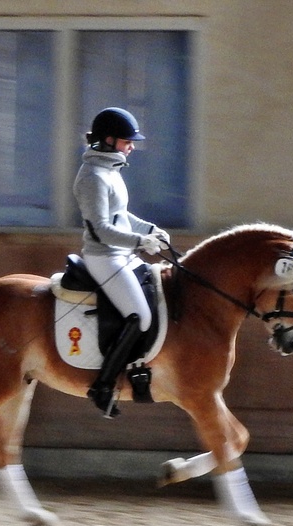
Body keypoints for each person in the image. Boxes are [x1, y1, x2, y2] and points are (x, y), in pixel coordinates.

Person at [73, 107, 170, 418]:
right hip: (104, 257)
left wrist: (150, 230)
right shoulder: (93, 177)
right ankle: (103, 386)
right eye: (128, 141)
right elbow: (101, 229)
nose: (132, 146)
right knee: (139, 316)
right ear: (110, 140)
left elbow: (121, 217)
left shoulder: (110, 172)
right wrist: (141, 243)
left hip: (122, 254)